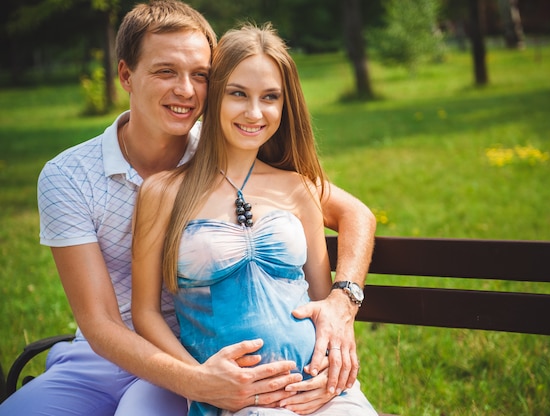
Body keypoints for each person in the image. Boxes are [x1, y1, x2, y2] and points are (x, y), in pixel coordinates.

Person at [0, 1, 375, 416]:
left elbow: (354, 213)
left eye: (200, 75)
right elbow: (102, 322)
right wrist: (203, 384)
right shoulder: (69, 176)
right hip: (105, 360)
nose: (186, 90)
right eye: (166, 71)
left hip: (207, 348)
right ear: (126, 74)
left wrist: (343, 303)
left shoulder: (232, 147)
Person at [131, 23, 377, 416]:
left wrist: (329, 374)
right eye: (238, 94)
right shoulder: (164, 192)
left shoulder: (298, 188)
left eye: (270, 97)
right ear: (214, 97)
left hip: (316, 388)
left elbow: (320, 303)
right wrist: (200, 381)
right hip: (234, 400)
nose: (254, 112)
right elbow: (145, 313)